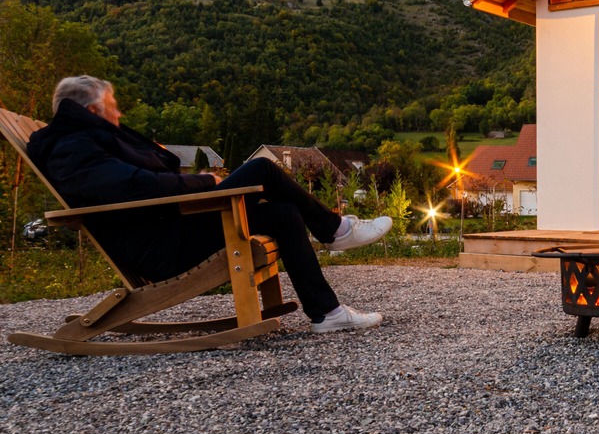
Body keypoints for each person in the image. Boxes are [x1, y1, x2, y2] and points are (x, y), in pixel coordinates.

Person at [27, 75, 391, 333]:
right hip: (162, 246)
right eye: (113, 107)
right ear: (93, 110)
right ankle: (335, 230)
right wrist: (204, 182)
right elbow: (130, 186)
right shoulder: (71, 147)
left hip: (171, 228)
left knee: (283, 213)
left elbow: (131, 182)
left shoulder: (81, 140)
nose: (118, 115)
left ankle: (327, 312)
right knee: (262, 166)